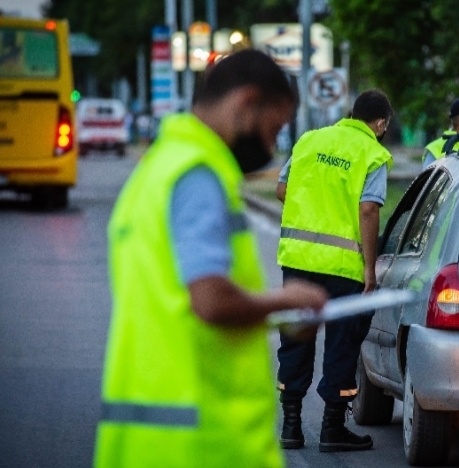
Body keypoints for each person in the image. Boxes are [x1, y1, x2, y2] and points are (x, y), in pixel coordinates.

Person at [93, 50, 329, 468]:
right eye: (273, 129)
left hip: (147, 441)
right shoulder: (199, 174)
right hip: (204, 444)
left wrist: (273, 318)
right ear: (246, 102)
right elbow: (210, 300)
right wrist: (286, 299)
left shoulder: (159, 168)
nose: (272, 146)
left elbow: (177, 305)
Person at [275, 89, 393, 452]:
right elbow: (369, 211)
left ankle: (291, 427)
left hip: (298, 259)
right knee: (342, 342)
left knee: (296, 337)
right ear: (381, 123)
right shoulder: (373, 153)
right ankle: (331, 430)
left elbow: (282, 189)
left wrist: (314, 205)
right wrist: (369, 269)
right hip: (343, 266)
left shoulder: (310, 140)